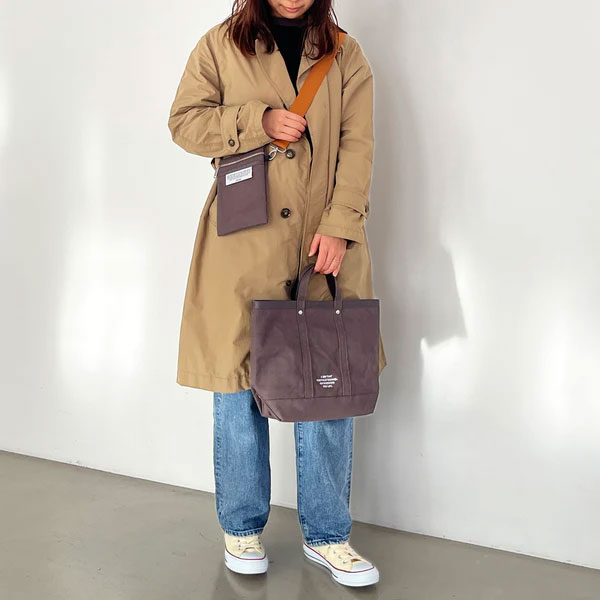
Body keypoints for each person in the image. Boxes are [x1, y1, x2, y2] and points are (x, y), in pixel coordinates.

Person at [168, 0, 387, 588]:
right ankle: (241, 528)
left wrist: (341, 225)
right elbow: (184, 122)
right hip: (242, 245)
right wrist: (256, 121)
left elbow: (358, 144)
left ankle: (328, 535)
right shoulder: (220, 44)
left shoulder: (345, 53)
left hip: (322, 243)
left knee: (327, 385)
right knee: (238, 384)